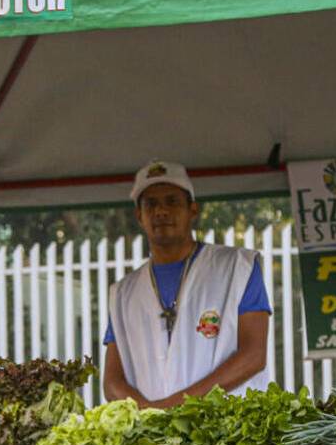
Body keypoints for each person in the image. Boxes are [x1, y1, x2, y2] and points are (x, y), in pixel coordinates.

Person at [103, 161, 273, 408]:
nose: (161, 211)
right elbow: (111, 381)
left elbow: (254, 355)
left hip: (226, 435)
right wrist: (148, 414)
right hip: (151, 440)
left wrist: (174, 405)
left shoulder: (237, 267)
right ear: (139, 216)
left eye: (172, 201)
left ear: (193, 210)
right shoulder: (122, 293)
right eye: (151, 204)